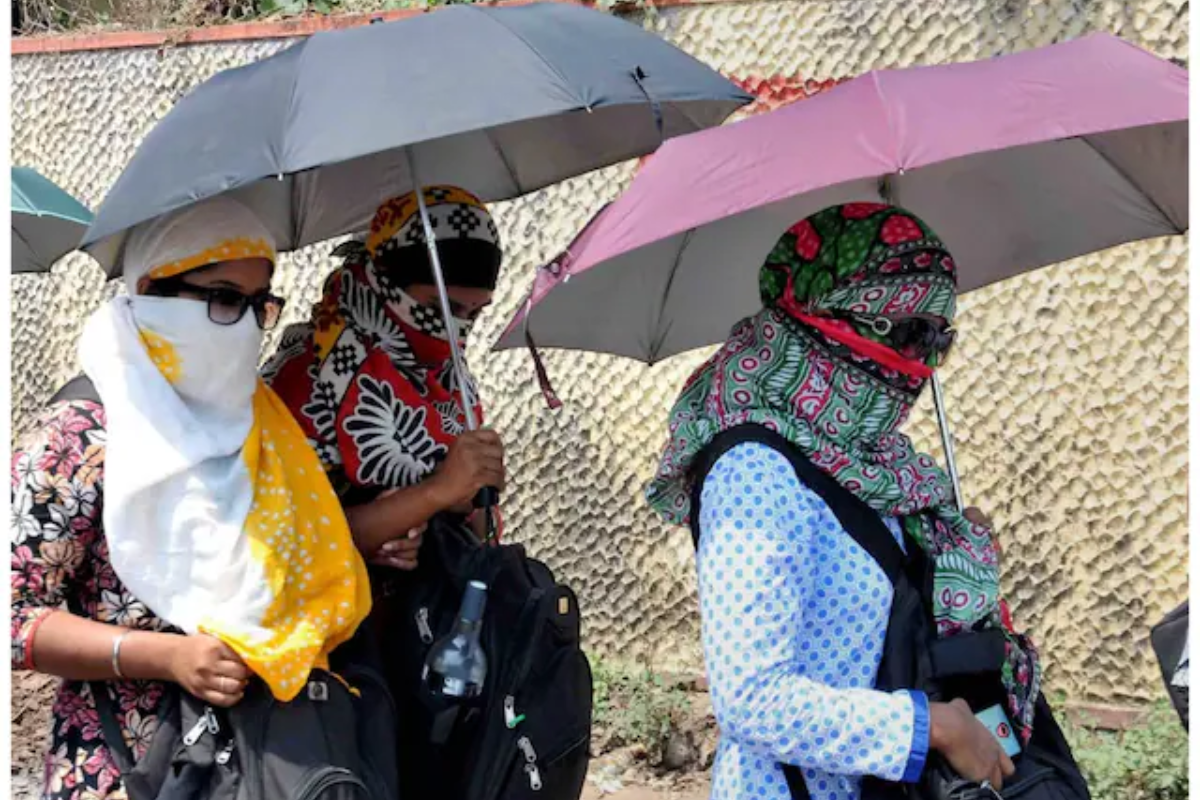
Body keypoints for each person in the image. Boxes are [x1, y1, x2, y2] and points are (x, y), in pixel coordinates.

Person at [644, 203, 1034, 800]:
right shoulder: (754, 472)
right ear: (840, 321)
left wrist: (952, 552)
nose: (922, 364)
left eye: (941, 338)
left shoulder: (872, 460)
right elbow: (752, 699)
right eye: (912, 334)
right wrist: (930, 727)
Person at [10, 197, 372, 800]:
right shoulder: (81, 433)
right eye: (225, 298)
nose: (249, 326)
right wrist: (166, 656)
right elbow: (13, 617)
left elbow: (302, 557)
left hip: (256, 760)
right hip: (127, 766)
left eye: (261, 304)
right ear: (152, 290)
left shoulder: (259, 426)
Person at [264, 185, 506, 570]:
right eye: (440, 307)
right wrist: (435, 493)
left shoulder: (446, 377)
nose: (456, 328)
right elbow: (284, 544)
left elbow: (480, 533)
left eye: (474, 314)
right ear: (385, 282)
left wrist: (471, 498)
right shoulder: (302, 379)